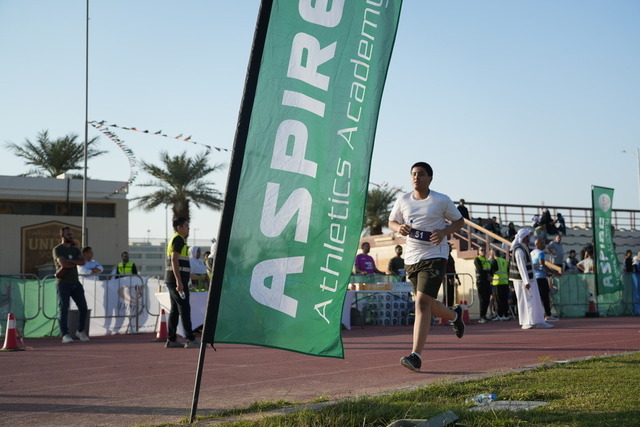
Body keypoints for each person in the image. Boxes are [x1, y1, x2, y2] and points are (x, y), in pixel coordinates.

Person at [388, 162, 466, 372]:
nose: (416, 177)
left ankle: (416, 356)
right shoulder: (403, 200)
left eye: (421, 174)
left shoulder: (441, 200)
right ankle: (455, 316)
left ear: (430, 178)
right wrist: (399, 227)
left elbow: (459, 222)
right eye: (413, 174)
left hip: (435, 256)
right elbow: (391, 222)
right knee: (428, 305)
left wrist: (444, 232)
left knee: (422, 303)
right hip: (412, 259)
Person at [165, 217, 200, 348]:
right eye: (186, 226)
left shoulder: (177, 239)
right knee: (184, 308)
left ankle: (172, 339)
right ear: (179, 227)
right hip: (176, 280)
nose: (188, 228)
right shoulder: (178, 239)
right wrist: (179, 282)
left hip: (173, 279)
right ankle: (190, 339)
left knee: (175, 310)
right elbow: (174, 260)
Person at [509, 228, 553, 330]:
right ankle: (526, 322)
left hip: (531, 279)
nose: (529, 238)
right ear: (524, 237)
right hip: (522, 281)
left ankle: (539, 321)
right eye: (528, 236)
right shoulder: (519, 250)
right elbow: (521, 267)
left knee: (535, 300)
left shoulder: (525, 247)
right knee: (525, 301)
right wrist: (526, 282)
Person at [52, 226, 90, 343]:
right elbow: (64, 264)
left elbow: (82, 261)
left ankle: (80, 330)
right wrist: (74, 262)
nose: (71, 236)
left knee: (83, 307)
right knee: (63, 309)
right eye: (68, 234)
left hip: (75, 283)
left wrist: (70, 261)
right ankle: (65, 334)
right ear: (62, 235)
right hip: (63, 284)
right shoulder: (57, 249)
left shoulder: (75, 249)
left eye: (71, 234)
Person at [530, 238, 558, 322]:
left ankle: (537, 315)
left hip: (534, 278)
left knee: (537, 297)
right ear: (538, 244)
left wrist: (545, 272)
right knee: (545, 297)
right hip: (541, 278)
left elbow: (535, 266)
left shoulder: (532, 253)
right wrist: (552, 272)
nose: (544, 245)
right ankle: (548, 315)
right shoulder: (541, 253)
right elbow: (542, 265)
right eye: (542, 243)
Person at [489, 248, 511, 321]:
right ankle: (506, 315)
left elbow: (492, 271)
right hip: (505, 282)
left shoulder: (495, 261)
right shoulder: (504, 261)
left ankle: (500, 315)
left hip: (497, 283)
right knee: (505, 300)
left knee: (498, 300)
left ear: (493, 254)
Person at [474, 246, 493, 323]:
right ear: (478, 252)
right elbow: (480, 270)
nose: (483, 251)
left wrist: (491, 276)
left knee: (487, 299)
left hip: (487, 282)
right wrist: (487, 277)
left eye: (484, 250)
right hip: (481, 281)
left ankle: (484, 315)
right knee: (482, 299)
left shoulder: (487, 260)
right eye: (482, 250)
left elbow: (490, 269)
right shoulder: (477, 259)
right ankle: (481, 316)